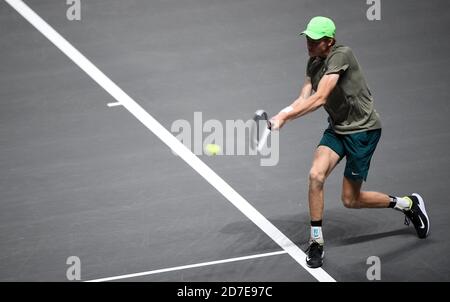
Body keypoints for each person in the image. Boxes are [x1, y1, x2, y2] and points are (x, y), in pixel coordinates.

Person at [270, 16, 430, 268]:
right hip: (337, 130)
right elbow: (305, 96)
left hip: (363, 132)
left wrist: (286, 117)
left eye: (315, 40)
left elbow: (322, 97)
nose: (309, 44)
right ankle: (316, 242)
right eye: (308, 38)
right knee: (315, 176)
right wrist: (283, 113)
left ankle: (407, 204)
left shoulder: (342, 55)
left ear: (329, 41)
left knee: (351, 200)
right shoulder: (314, 63)